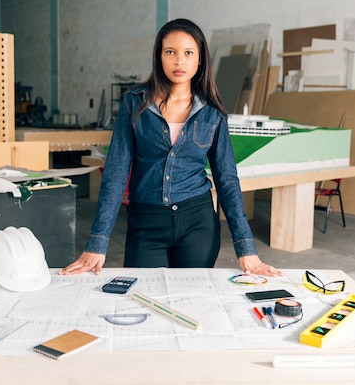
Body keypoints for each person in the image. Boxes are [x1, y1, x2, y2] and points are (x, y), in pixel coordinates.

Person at [61, 18, 281, 277]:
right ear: (159, 56)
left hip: (197, 222)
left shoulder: (212, 111)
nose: (179, 61)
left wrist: (246, 249)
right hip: (146, 222)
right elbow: (116, 173)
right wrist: (98, 242)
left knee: (190, 300)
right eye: (171, 52)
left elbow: (227, 179)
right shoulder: (135, 104)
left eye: (188, 53)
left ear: (200, 59)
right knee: (143, 298)